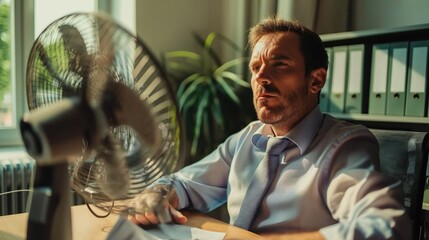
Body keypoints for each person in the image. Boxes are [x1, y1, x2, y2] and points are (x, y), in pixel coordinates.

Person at [128, 16, 411, 239]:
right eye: (255, 68)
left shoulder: (345, 146)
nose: (261, 78)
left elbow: (386, 227)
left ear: (316, 81)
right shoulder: (248, 137)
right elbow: (186, 182)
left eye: (279, 64)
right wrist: (160, 192)